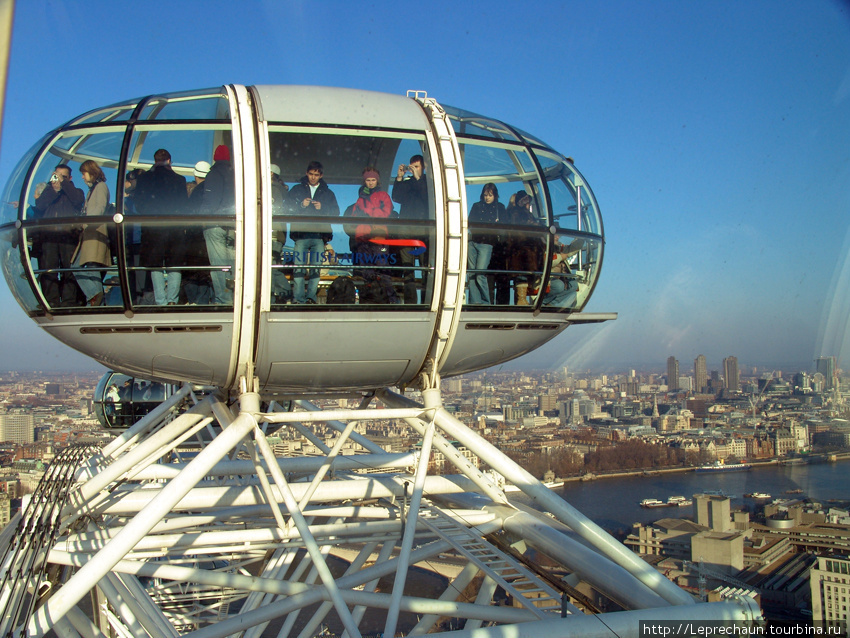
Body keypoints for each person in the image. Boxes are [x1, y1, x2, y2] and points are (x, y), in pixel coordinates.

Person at [134, 149, 188, 305]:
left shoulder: (144, 179)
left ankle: (160, 300)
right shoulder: (179, 180)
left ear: (154, 160)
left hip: (153, 227)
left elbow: (138, 204)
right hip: (173, 227)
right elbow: (183, 205)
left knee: (155, 264)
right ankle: (172, 300)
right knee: (174, 264)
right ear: (169, 161)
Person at [284, 161, 338, 304]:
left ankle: (310, 298)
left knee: (316, 269)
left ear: (321, 175)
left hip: (319, 236)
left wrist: (323, 208)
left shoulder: (328, 193)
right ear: (307, 173)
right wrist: (301, 205)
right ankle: (299, 298)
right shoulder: (296, 190)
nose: (313, 177)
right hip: (301, 234)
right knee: (299, 268)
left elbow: (336, 212)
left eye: (316, 175)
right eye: (311, 174)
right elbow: (286, 208)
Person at [32, 164, 85, 306]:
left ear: (70, 178)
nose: (60, 179)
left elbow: (77, 200)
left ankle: (69, 301)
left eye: (64, 177)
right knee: (49, 269)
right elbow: (40, 205)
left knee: (69, 270)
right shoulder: (48, 192)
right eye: (57, 175)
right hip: (49, 237)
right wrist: (53, 190)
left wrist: (65, 184)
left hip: (68, 236)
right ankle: (51, 301)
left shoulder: (76, 191)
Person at [348, 167, 397, 304]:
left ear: (377, 181)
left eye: (373, 180)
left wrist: (367, 211)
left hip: (378, 236)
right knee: (366, 271)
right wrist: (371, 212)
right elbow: (354, 217)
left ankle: (390, 300)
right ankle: (368, 299)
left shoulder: (383, 196)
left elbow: (385, 213)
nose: (370, 183)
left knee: (382, 269)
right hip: (363, 237)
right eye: (368, 180)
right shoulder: (359, 200)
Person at [71, 160, 111, 306]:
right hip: (89, 234)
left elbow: (99, 208)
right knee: (81, 265)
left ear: (91, 172)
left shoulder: (100, 187)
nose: (82, 177)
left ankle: (95, 295)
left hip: (95, 232)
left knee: (89, 265)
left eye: (84, 173)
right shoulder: (93, 189)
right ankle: (95, 297)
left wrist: (86, 222)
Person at [201, 145, 236, 305]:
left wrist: (202, 219)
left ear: (215, 158)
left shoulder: (214, 174)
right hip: (232, 225)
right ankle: (235, 297)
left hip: (215, 224)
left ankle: (223, 300)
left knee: (218, 265)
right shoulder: (235, 175)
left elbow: (210, 201)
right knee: (232, 264)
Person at [391, 154, 429, 303]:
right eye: (411, 166)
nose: (413, 169)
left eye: (417, 167)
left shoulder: (428, 183)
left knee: (427, 269)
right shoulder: (407, 183)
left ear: (423, 168)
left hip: (424, 232)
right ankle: (411, 302)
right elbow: (396, 197)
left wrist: (418, 179)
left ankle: (427, 301)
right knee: (408, 269)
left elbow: (427, 197)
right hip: (406, 231)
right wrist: (399, 178)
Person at [467, 183, 505, 305]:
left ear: (495, 195)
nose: (487, 198)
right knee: (472, 274)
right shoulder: (476, 206)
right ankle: (475, 302)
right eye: (485, 195)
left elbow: (503, 226)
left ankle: (485, 301)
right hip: (473, 242)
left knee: (479, 273)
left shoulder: (499, 208)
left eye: (490, 195)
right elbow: (470, 222)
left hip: (487, 243)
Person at [505, 190, 544, 306]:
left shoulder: (517, 212)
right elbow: (523, 227)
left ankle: (521, 299)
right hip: (522, 249)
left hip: (524, 248)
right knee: (522, 273)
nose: (528, 205)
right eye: (527, 202)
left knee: (523, 273)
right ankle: (521, 299)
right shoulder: (517, 213)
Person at [183, 161, 213, 304]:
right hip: (206, 235)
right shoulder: (212, 190)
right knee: (204, 271)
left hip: (194, 237)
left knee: (192, 270)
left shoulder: (196, 193)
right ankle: (202, 301)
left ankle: (194, 301)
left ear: (196, 175)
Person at [269, 164, 292, 304]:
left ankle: (276, 297)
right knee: (272, 267)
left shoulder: (273, 190)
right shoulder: (282, 191)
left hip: (273, 234)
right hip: (279, 235)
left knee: (269, 268)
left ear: (271, 174)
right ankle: (285, 294)